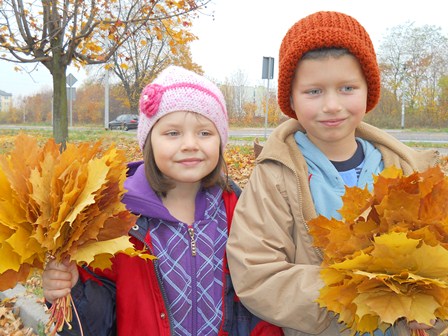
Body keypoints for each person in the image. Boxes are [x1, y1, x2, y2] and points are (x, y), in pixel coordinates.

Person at [226, 11, 444, 336]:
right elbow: (257, 273)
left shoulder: (408, 170)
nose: (331, 105)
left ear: (368, 91)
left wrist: (429, 306)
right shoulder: (275, 177)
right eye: (314, 91)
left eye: (346, 88)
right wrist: (356, 291)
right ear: (290, 99)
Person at [42, 66, 283, 336]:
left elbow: (255, 299)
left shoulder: (235, 207)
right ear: (149, 142)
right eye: (172, 133)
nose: (190, 144)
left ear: (220, 141)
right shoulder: (116, 219)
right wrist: (73, 289)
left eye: (205, 133)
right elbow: (97, 322)